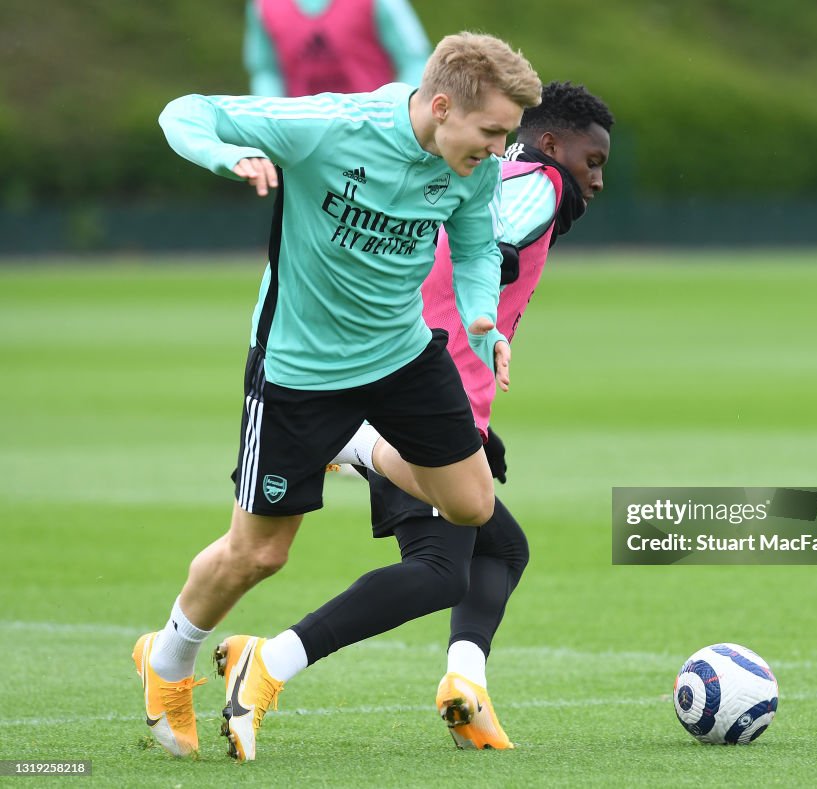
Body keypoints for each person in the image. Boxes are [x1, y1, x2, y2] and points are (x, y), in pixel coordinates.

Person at [132, 32, 542, 760]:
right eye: (492, 132)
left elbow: (477, 247)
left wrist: (482, 322)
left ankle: (359, 450)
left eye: (507, 134)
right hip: (299, 370)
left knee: (472, 506)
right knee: (259, 554)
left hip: (403, 355)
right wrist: (226, 156)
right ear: (441, 105)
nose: (501, 148)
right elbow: (184, 111)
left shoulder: (471, 163)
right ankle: (165, 663)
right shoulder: (327, 127)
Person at [212, 81, 613, 758]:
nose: (596, 179)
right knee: (438, 569)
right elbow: (486, 247)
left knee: (501, 547)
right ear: (550, 143)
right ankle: (270, 660)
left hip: (436, 389)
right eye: (592, 160)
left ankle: (465, 684)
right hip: (420, 393)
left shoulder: (500, 171)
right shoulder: (538, 181)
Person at [244, 0, 430, 97]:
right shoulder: (264, 5)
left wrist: (394, 117)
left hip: (374, 136)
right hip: (302, 144)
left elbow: (415, 62)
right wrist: (274, 126)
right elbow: (266, 71)